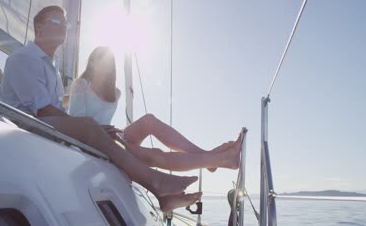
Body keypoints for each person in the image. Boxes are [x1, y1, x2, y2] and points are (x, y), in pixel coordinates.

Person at [0, 5, 200, 212]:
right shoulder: (24, 58)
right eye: (57, 22)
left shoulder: (51, 66)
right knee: (92, 128)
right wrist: (88, 127)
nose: (64, 28)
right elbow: (43, 110)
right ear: (39, 28)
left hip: (44, 127)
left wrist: (93, 129)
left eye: (66, 24)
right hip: (23, 129)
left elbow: (55, 111)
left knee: (114, 136)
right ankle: (157, 181)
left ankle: (165, 192)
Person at [68, 46, 243, 172]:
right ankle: (214, 159)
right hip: (89, 141)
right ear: (91, 62)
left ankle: (206, 156)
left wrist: (113, 133)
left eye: (109, 62)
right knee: (156, 154)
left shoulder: (116, 92)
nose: (104, 65)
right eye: (99, 60)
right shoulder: (81, 85)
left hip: (110, 136)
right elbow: (76, 121)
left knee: (149, 120)